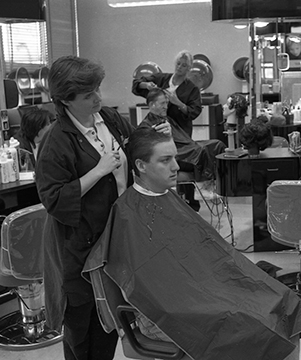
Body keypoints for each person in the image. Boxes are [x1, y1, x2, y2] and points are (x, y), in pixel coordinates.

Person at [82, 126, 301, 360]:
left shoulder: (168, 197)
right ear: (141, 166)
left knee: (284, 302)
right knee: (252, 323)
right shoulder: (126, 214)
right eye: (166, 160)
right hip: (163, 314)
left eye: (175, 157)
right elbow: (146, 288)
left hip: (200, 293)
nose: (176, 166)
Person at [35, 55, 170, 360]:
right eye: (88, 95)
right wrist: (97, 171)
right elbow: (54, 198)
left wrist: (156, 144)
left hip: (114, 239)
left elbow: (134, 144)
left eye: (97, 89)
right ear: (65, 101)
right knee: (84, 334)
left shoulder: (107, 118)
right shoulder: (56, 141)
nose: (97, 98)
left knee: (110, 321)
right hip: (78, 249)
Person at [139, 87, 225, 184]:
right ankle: (205, 187)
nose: (166, 107)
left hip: (185, 150)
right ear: (152, 105)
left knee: (218, 145)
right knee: (202, 151)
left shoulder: (166, 119)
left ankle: (221, 184)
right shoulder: (148, 126)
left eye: (166, 103)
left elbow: (183, 140)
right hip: (176, 157)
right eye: (162, 103)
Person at [132, 49, 202, 137]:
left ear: (189, 68)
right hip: (158, 127)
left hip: (180, 131)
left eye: (184, 65)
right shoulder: (161, 79)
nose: (179, 67)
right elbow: (136, 84)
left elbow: (194, 112)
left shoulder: (192, 89)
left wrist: (178, 103)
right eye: (178, 63)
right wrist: (146, 85)